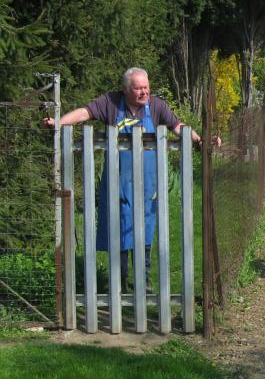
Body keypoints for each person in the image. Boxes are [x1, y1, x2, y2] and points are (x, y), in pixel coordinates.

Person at [42, 67, 203, 292]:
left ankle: (143, 280)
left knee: (145, 230)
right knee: (118, 230)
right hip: (117, 184)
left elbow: (177, 126)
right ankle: (119, 281)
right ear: (126, 89)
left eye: (146, 87)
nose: (144, 92)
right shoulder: (110, 102)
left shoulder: (157, 106)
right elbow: (84, 113)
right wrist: (59, 123)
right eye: (138, 88)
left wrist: (198, 139)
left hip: (147, 185)